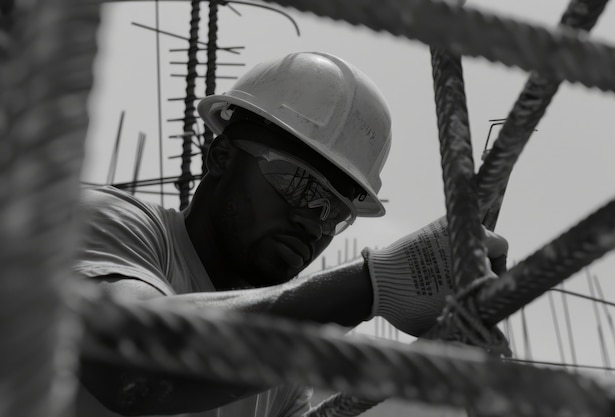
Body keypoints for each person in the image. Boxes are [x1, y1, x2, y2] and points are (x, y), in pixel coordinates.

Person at [75, 51, 508, 417]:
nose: (313, 222)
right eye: (298, 185)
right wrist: (376, 283)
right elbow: (133, 371)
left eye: (334, 211)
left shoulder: (279, 382)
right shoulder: (104, 223)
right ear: (222, 155)